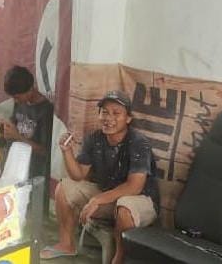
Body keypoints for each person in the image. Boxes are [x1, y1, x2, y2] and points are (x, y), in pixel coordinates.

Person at [40, 90, 159, 264]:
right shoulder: (95, 138)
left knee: (125, 206)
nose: (108, 118)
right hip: (109, 197)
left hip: (141, 201)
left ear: (128, 118)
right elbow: (78, 175)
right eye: (105, 112)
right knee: (64, 188)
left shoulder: (138, 142)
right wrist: (67, 151)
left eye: (116, 113)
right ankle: (66, 244)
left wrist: (97, 200)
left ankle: (119, 259)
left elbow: (135, 186)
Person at [0, 66, 54, 178]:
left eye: (17, 97)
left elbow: (44, 151)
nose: (15, 101)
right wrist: (7, 127)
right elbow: (14, 126)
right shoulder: (20, 102)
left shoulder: (46, 110)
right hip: (16, 163)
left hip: (33, 171)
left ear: (30, 90)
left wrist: (17, 136)